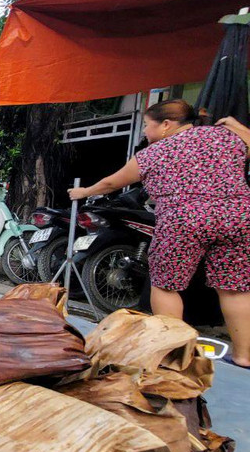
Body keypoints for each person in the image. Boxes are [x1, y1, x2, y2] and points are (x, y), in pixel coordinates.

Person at [69, 100, 250, 369]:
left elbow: (112, 183)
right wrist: (237, 126)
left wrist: (83, 192)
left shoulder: (155, 153)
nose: (143, 132)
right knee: (234, 289)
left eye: (146, 125)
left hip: (183, 218)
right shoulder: (225, 136)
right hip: (237, 216)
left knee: (166, 285)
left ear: (166, 125)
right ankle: (244, 357)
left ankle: (174, 354)